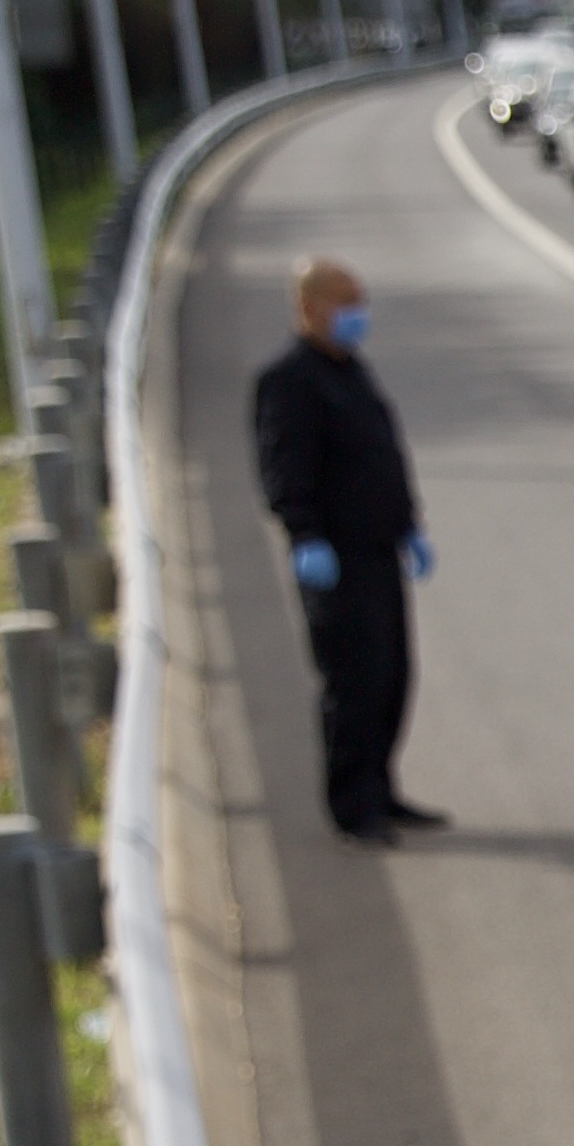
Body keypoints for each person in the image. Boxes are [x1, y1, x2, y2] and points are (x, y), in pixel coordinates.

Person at [244, 253, 449, 843]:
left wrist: (408, 524)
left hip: (379, 551)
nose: (358, 315)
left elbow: (382, 454)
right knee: (353, 685)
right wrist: (305, 537)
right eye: (346, 303)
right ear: (310, 308)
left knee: (391, 679)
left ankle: (382, 790)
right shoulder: (288, 381)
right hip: (336, 561)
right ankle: (351, 804)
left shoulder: (351, 371)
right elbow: (284, 469)